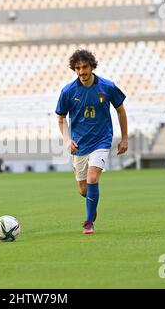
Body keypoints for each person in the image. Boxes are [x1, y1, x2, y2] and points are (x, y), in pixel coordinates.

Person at [56, 49, 128, 234]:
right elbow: (61, 118)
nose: (82, 71)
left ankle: (88, 222)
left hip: (102, 140)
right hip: (80, 145)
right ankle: (92, 203)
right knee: (83, 190)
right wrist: (67, 140)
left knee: (93, 178)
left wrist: (124, 138)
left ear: (92, 66)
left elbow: (120, 110)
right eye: (78, 68)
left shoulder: (107, 86)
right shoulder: (68, 91)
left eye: (85, 67)